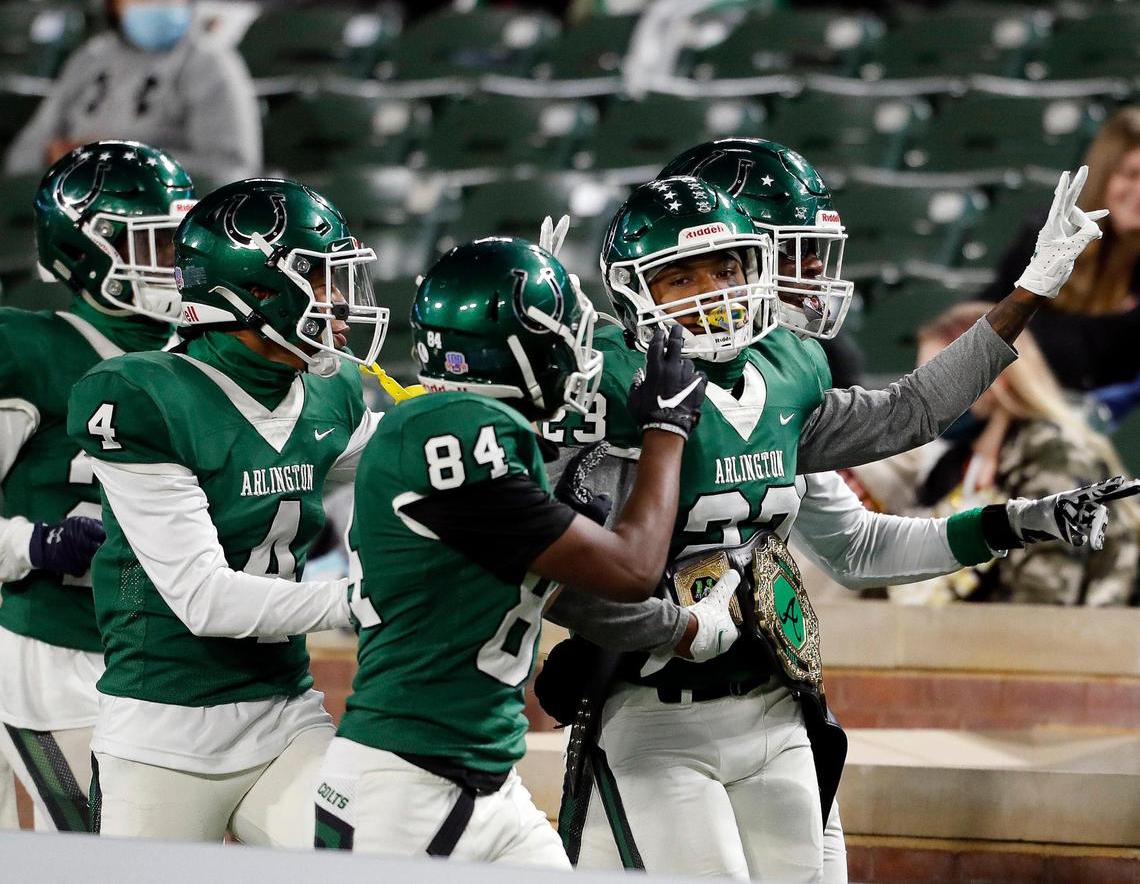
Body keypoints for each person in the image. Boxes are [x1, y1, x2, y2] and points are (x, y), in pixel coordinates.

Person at [538, 141, 1118, 881]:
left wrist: (1029, 292)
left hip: (776, 704)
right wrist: (546, 361)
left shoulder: (786, 374)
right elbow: (551, 563)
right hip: (651, 708)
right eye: (683, 275)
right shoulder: (617, 385)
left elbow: (900, 434)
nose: (809, 278)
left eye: (728, 268)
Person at [311, 237, 708, 864]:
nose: (578, 354)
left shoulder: (457, 429)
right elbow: (632, 568)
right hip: (407, 786)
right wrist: (666, 429)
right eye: (561, 336)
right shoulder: (455, 433)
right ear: (512, 352)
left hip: (481, 774)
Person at [66, 178, 389, 844]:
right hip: (164, 727)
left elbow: (404, 476)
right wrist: (363, 599)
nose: (341, 304)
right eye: (320, 279)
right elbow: (205, 599)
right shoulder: (146, 395)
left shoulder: (331, 396)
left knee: (370, 847)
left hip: (285, 710)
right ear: (255, 291)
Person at [0, 140, 195, 832]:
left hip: (144, 653)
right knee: (104, 849)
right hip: (49, 645)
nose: (177, 261)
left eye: (179, 240)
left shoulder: (195, 355)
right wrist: (34, 542)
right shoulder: (27, 349)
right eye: (158, 242)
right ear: (89, 250)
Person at [849, 302, 1140, 607]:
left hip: (1067, 644)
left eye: (939, 383)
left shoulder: (1056, 453)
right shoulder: (953, 465)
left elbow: (1045, 598)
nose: (928, 400)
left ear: (993, 373)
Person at [5, 0, 260, 186]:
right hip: (72, 211)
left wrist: (119, 163)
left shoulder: (210, 63)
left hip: (163, 223)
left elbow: (230, 171)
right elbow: (22, 158)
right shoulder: (88, 59)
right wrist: (53, 157)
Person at [981, 106, 1140, 392]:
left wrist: (1038, 329)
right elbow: (986, 328)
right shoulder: (1049, 235)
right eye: (1130, 174)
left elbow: (1098, 362)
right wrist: (1112, 328)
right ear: (1103, 177)